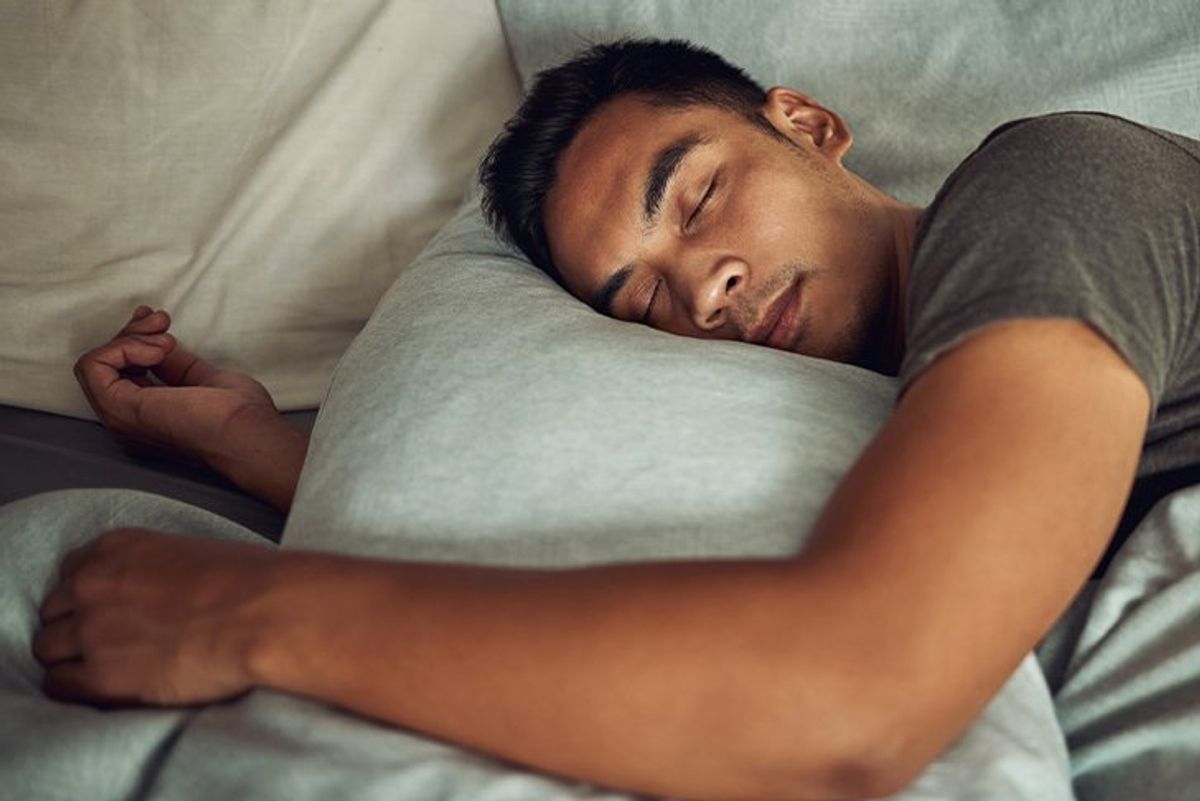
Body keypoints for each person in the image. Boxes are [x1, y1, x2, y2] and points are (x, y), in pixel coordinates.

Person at [31, 38, 1199, 801]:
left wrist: (247, 614)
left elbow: (856, 698)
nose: (706, 289)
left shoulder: (1045, 193)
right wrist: (271, 455)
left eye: (698, 196)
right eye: (641, 301)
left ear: (809, 124)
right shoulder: (884, 389)